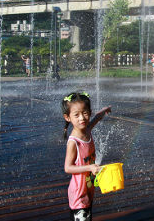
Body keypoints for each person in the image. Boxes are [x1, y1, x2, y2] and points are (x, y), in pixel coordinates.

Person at [62, 92, 111, 221]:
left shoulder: (87, 129)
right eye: (76, 115)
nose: (82, 118)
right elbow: (67, 168)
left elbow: (95, 119)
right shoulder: (74, 142)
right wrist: (89, 167)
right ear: (67, 117)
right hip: (78, 193)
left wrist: (103, 111)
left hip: (88, 190)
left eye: (85, 113)